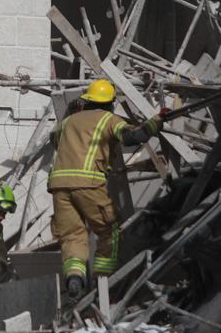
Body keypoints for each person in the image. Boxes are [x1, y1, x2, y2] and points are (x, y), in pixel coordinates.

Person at [48, 79, 164, 299]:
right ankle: (104, 281)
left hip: (59, 186)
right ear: (110, 103)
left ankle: (74, 276)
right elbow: (133, 137)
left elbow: (55, 140)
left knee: (72, 236)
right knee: (108, 231)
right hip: (88, 183)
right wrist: (156, 121)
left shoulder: (67, 122)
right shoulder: (109, 120)